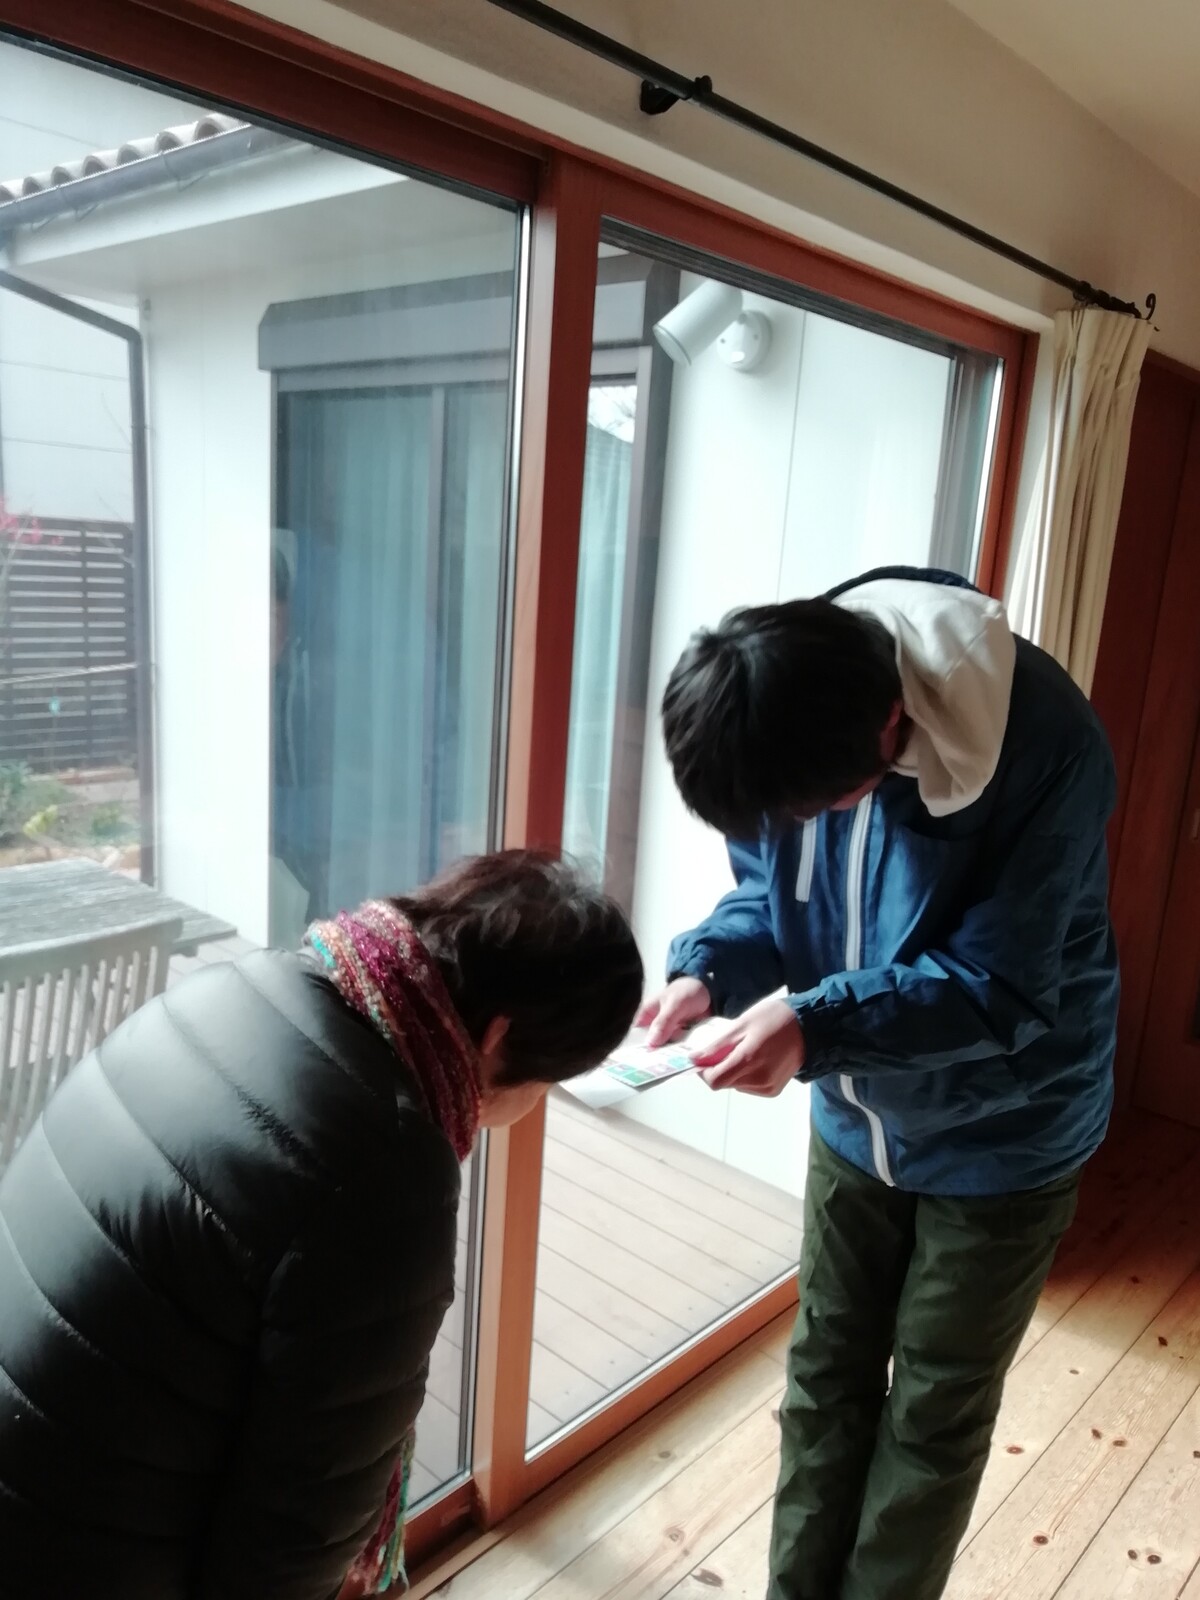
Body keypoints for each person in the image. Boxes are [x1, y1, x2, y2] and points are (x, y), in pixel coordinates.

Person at [639, 566, 1117, 1600]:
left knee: (933, 1411)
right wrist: (706, 972)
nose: (793, 825)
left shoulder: (1047, 745)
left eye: (810, 808)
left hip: (1008, 1132)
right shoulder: (788, 710)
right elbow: (772, 895)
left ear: (891, 726)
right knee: (824, 1374)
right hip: (856, 1115)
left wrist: (813, 1025)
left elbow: (1001, 989)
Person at [0, 850, 643, 1600]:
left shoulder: (242, 983)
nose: (533, 1105)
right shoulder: (385, 1168)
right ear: (500, 1037)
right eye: (548, 1084)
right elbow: (292, 1541)